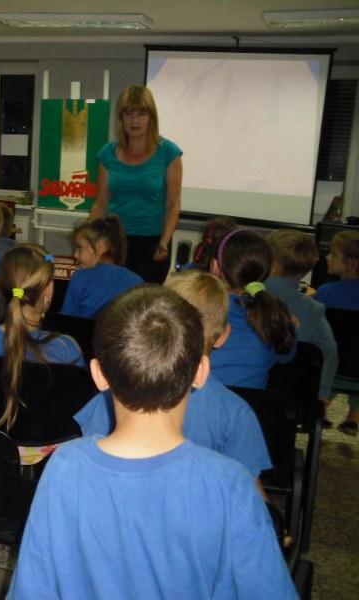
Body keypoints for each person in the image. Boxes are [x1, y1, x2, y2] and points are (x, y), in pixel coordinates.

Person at [7, 285, 295, 599]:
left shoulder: (64, 467)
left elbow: (32, 590)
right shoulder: (230, 484)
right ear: (201, 372)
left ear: (99, 375)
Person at [74, 271, 271, 487]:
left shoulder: (115, 397)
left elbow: (87, 466)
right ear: (223, 335)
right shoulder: (237, 414)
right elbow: (247, 487)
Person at [0, 245, 85, 461]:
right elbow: (81, 410)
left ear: (0, 287)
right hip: (51, 453)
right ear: (48, 292)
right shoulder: (67, 349)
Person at [89, 85, 182, 284]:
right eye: (128, 114)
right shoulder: (107, 153)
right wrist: (87, 238)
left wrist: (164, 241)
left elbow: (173, 205)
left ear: (152, 118)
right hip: (116, 242)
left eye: (141, 114)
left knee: (143, 300)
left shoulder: (169, 152)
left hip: (153, 244)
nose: (134, 120)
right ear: (121, 118)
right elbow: (100, 204)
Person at [266, 229, 339, 422]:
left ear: (270, 259)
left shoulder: (243, 294)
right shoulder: (313, 310)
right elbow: (329, 352)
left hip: (243, 390)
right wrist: (322, 394)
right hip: (292, 400)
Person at [209, 229, 297, 388]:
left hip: (201, 401)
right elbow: (286, 356)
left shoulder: (201, 309)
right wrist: (289, 325)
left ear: (215, 267)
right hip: (250, 403)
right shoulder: (273, 317)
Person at [314, 230, 359, 435]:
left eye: (333, 254)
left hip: (332, 370)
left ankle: (321, 409)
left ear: (350, 263)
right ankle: (353, 418)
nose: (327, 257)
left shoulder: (326, 291)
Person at [60, 215, 143, 318]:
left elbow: (66, 321)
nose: (75, 255)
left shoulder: (80, 277)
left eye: (79, 247)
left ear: (100, 247)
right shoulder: (137, 281)